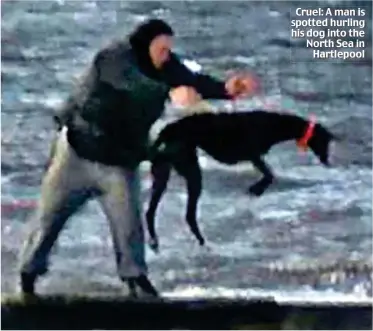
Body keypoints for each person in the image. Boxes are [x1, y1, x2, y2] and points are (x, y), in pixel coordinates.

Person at [19, 19, 258, 297]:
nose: (167, 56)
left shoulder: (166, 66)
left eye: (170, 50)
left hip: (120, 163)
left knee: (129, 226)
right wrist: (168, 91)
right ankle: (27, 280)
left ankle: (136, 283)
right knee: (48, 220)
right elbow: (132, 84)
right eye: (162, 49)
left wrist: (226, 90)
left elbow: (192, 81)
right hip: (76, 155)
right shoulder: (113, 59)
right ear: (145, 45)